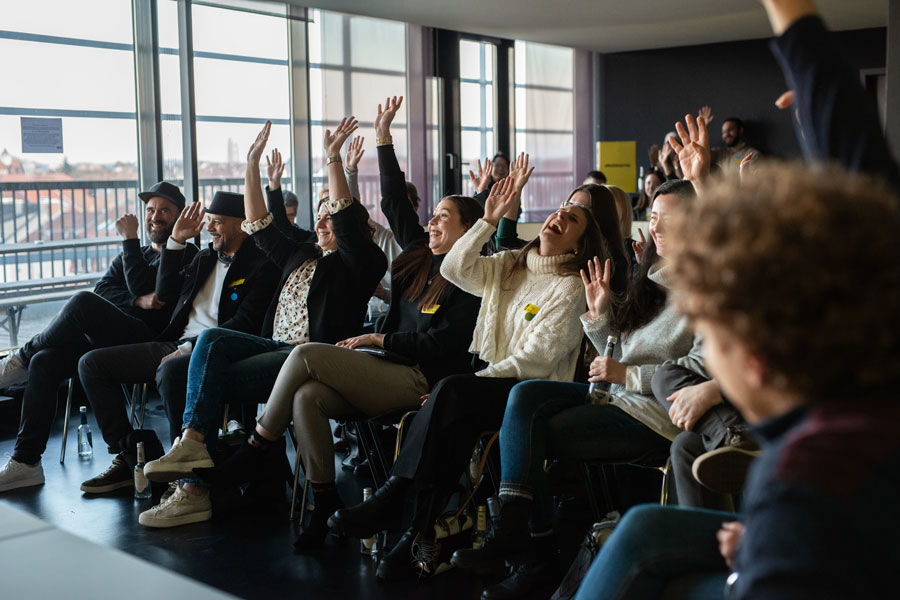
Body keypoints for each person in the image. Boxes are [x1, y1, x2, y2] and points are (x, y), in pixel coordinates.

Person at [575, 162, 900, 600]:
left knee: (643, 538)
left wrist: (754, 557)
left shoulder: (801, 479)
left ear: (751, 356)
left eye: (710, 332)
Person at [198, 95, 484, 552]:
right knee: (307, 397)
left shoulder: (470, 278)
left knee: (304, 354)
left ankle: (256, 446)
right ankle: (324, 502)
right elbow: (395, 199)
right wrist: (384, 139)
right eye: (432, 216)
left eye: (443, 217)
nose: (430, 222)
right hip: (379, 365)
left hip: (416, 379)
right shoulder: (415, 257)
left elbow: (441, 346)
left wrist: (378, 335)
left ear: (470, 231)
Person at [331, 157, 609, 581]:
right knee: (452, 421)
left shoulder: (570, 287)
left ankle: (397, 500)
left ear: (578, 245)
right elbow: (454, 268)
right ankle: (417, 530)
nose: (557, 217)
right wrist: (489, 220)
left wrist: (475, 381)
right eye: (557, 211)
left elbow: (534, 360)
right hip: (493, 385)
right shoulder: (512, 262)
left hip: (531, 392)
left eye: (570, 220)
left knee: (452, 394)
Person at [450, 178, 704, 599]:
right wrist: (601, 315)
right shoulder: (654, 277)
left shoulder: (706, 286)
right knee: (524, 395)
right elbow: (621, 351)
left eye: (668, 219)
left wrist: (628, 376)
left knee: (528, 435)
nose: (656, 227)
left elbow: (696, 368)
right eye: (653, 216)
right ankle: (521, 535)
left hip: (655, 414)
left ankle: (534, 554)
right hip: (620, 400)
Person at [137, 118, 386, 528]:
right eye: (319, 218)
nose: (322, 224)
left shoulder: (359, 264)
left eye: (330, 220)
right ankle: (194, 445)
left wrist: (334, 160)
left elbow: (344, 218)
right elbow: (256, 224)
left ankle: (196, 487)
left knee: (198, 377)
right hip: (273, 348)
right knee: (209, 342)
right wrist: (251, 166)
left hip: (311, 358)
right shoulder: (302, 255)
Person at [77, 191, 279, 496]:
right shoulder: (203, 256)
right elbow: (165, 295)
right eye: (208, 221)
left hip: (216, 351)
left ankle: (187, 479)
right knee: (91, 364)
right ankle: (133, 454)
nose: (209, 227)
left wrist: (189, 347)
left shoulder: (260, 266)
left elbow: (245, 323)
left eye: (217, 222)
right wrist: (177, 242)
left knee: (171, 372)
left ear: (241, 226)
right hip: (173, 342)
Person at [0, 182, 193, 493]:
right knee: (45, 361)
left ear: (179, 217)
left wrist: (129, 241)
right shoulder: (137, 254)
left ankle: (17, 359)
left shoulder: (184, 256)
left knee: (81, 303)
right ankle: (26, 462)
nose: (155, 217)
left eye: (165, 211)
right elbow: (105, 289)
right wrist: (136, 301)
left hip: (151, 340)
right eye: (150, 210)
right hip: (114, 337)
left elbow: (155, 295)